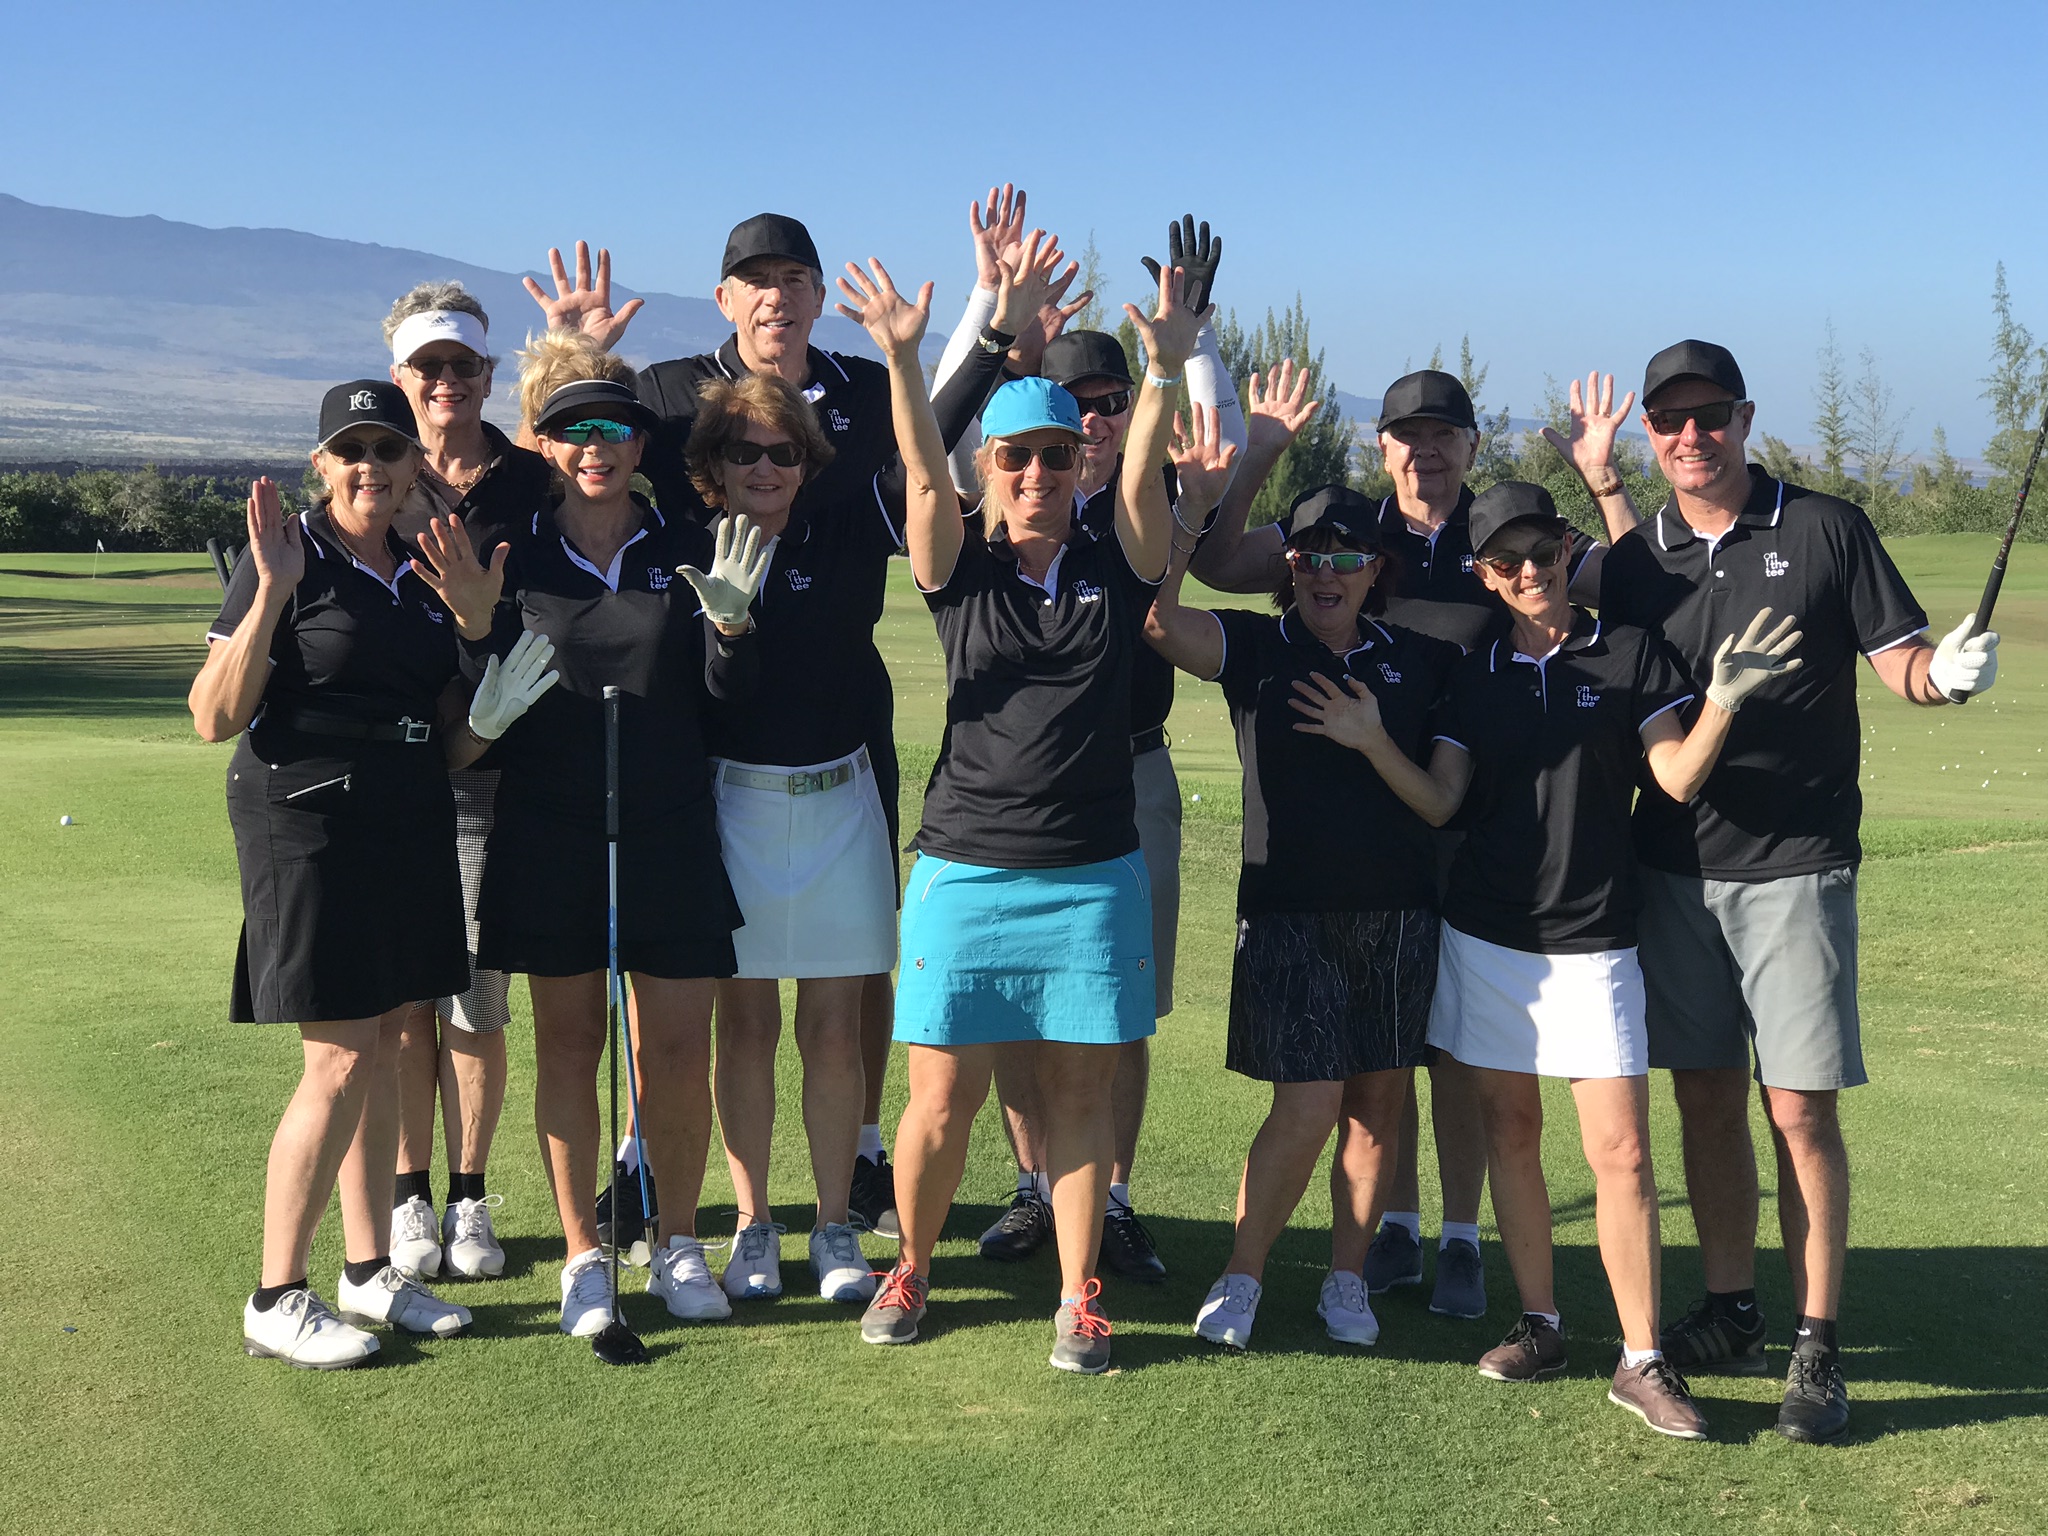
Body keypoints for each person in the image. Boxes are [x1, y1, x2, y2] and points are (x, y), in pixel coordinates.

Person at [1597, 340, 2002, 1443]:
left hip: (1796, 866)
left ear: (1741, 417)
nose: (1693, 437)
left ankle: (1814, 1343)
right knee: (1703, 1099)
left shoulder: (1822, 527)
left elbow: (1898, 659)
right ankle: (1730, 1307)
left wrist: (1943, 678)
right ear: (1649, 434)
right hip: (1672, 864)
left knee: (1798, 1109)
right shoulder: (1642, 557)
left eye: (1712, 416)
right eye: (1672, 421)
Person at [1344, 479, 1801, 1438]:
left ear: (1566, 550)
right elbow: (1441, 800)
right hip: (1488, 934)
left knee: (1622, 1154)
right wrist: (1370, 740)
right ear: (1486, 575)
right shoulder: (1474, 672)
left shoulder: (1628, 652)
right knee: (1510, 1131)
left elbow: (1672, 776)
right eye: (1505, 564)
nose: (1528, 575)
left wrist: (1720, 702)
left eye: (1542, 555)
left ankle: (1641, 1358)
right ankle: (1542, 1322)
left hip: (1597, 939)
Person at [1192, 369, 1639, 1316]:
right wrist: (1259, 453)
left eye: (1444, 434)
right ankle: (1391, 1229)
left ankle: (1463, 1234)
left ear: (1473, 447)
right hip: (1372, 827)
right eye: (1406, 435)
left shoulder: (1506, 535)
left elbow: (1634, 584)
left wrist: (1606, 481)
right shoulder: (1351, 535)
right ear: (1382, 446)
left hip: (1480, 815)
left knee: (1456, 1056)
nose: (1424, 450)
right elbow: (1219, 563)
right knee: (1383, 1057)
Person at [839, 254, 1198, 1373]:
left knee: (1079, 1093)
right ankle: (910, 1267)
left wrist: (1161, 371)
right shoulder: (957, 564)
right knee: (940, 1095)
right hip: (966, 864)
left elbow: (1142, 483)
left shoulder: (1117, 554)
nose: (1038, 471)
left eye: (1054, 453)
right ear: (987, 467)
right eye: (1016, 456)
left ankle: (1075, 1298)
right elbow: (910, 460)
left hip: (1093, 870)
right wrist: (904, 358)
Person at [192, 380, 553, 1367]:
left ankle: (368, 1271)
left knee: (397, 1032)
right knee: (341, 1054)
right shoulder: (290, 557)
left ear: (412, 470)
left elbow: (447, 744)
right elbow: (213, 716)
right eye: (350, 452)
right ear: (323, 466)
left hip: (406, 808)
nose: (370, 469)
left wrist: (480, 637)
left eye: (388, 453)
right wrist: (267, 592)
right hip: (304, 817)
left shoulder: (425, 568)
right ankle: (276, 1293)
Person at [930, 195, 1247, 1282]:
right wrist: (988, 319)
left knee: (1117, 1017)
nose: (1096, 421)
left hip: (1132, 782)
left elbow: (1210, 447)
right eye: (1078, 404)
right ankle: (1034, 1187)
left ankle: (1107, 1196)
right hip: (1006, 808)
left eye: (1109, 402)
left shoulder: (1141, 493)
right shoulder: (1016, 487)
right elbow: (931, 462)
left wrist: (1184, 352)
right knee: (1021, 1012)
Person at [449, 332, 771, 1342]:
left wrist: (729, 635)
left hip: (669, 828)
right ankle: (584, 1256)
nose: (596, 445)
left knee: (675, 1050)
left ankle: (675, 1239)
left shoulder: (686, 546)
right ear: (546, 444)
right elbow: (471, 711)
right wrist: (473, 653)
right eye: (573, 428)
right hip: (549, 831)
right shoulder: (513, 555)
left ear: (640, 445)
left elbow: (731, 709)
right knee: (570, 1045)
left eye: (616, 429)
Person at [1144, 401, 1463, 1351]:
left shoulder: (1426, 663)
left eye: (1347, 558)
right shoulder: (1257, 647)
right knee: (1310, 1102)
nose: (1327, 574)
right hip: (1287, 911)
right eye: (1310, 556)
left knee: (1376, 1105)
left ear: (1377, 570)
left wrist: (1370, 741)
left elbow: (1442, 803)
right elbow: (1157, 619)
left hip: (1401, 910)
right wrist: (1196, 513)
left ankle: (1346, 1280)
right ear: (1291, 570)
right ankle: (1241, 1277)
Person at [377, 282, 551, 1284]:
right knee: (406, 1005)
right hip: (391, 776)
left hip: (491, 778)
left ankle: (471, 1197)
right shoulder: (373, 478)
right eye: (426, 367)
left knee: (476, 1005)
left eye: (462, 366)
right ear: (402, 377)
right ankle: (409, 1200)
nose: (445, 383)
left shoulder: (532, 484)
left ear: (489, 377)